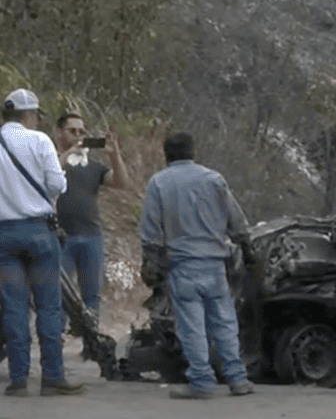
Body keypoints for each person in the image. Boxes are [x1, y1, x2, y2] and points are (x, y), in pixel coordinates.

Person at [139, 132, 256, 399]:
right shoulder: (214, 180)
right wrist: (248, 250)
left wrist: (151, 263)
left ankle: (202, 381)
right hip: (215, 266)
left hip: (183, 267)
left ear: (166, 154)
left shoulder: (158, 183)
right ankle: (238, 379)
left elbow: (150, 231)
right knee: (225, 323)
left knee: (192, 327)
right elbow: (236, 220)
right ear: (193, 152)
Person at [0, 89, 84, 397]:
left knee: (14, 307)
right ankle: (52, 377)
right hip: (39, 234)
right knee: (49, 306)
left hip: (4, 236)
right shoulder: (39, 141)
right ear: (29, 115)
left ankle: (19, 379)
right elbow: (56, 184)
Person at [53, 113, 130, 317]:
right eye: (72, 131)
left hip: (91, 235)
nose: (78, 136)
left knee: (92, 295)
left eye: (82, 132)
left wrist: (114, 155)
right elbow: (48, 174)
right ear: (58, 132)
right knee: (58, 294)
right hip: (61, 237)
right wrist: (69, 153)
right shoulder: (51, 160)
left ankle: (92, 343)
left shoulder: (93, 166)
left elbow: (121, 183)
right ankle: (56, 342)